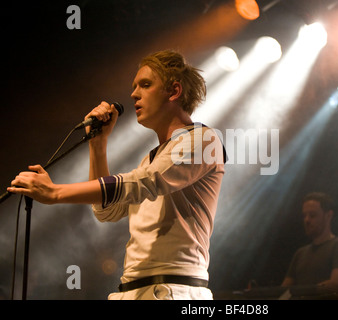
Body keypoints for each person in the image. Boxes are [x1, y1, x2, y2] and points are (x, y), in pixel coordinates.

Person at [8, 50, 226, 300]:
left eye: (145, 84)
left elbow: (147, 181)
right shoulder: (152, 158)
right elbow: (106, 210)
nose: (134, 94)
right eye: (134, 86)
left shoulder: (205, 139)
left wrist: (56, 192)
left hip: (172, 290)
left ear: (174, 91)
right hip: (133, 289)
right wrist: (98, 145)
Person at [281, 192, 338, 292]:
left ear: (329, 215)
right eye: (304, 215)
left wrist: (302, 293)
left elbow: (336, 284)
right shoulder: (300, 253)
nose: (307, 220)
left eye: (312, 215)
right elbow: (283, 289)